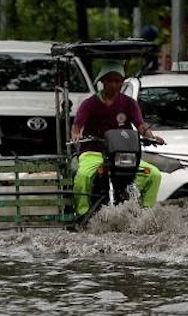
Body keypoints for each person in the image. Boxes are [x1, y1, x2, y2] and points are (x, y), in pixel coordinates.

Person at [70, 59, 165, 216]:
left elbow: (141, 126)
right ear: (102, 82)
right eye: (110, 81)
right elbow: (77, 126)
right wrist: (76, 135)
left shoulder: (129, 103)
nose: (114, 85)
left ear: (122, 82)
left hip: (122, 155)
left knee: (154, 175)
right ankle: (83, 215)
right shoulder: (89, 104)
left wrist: (152, 137)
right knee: (83, 177)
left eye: (117, 81)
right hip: (93, 153)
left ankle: (146, 215)